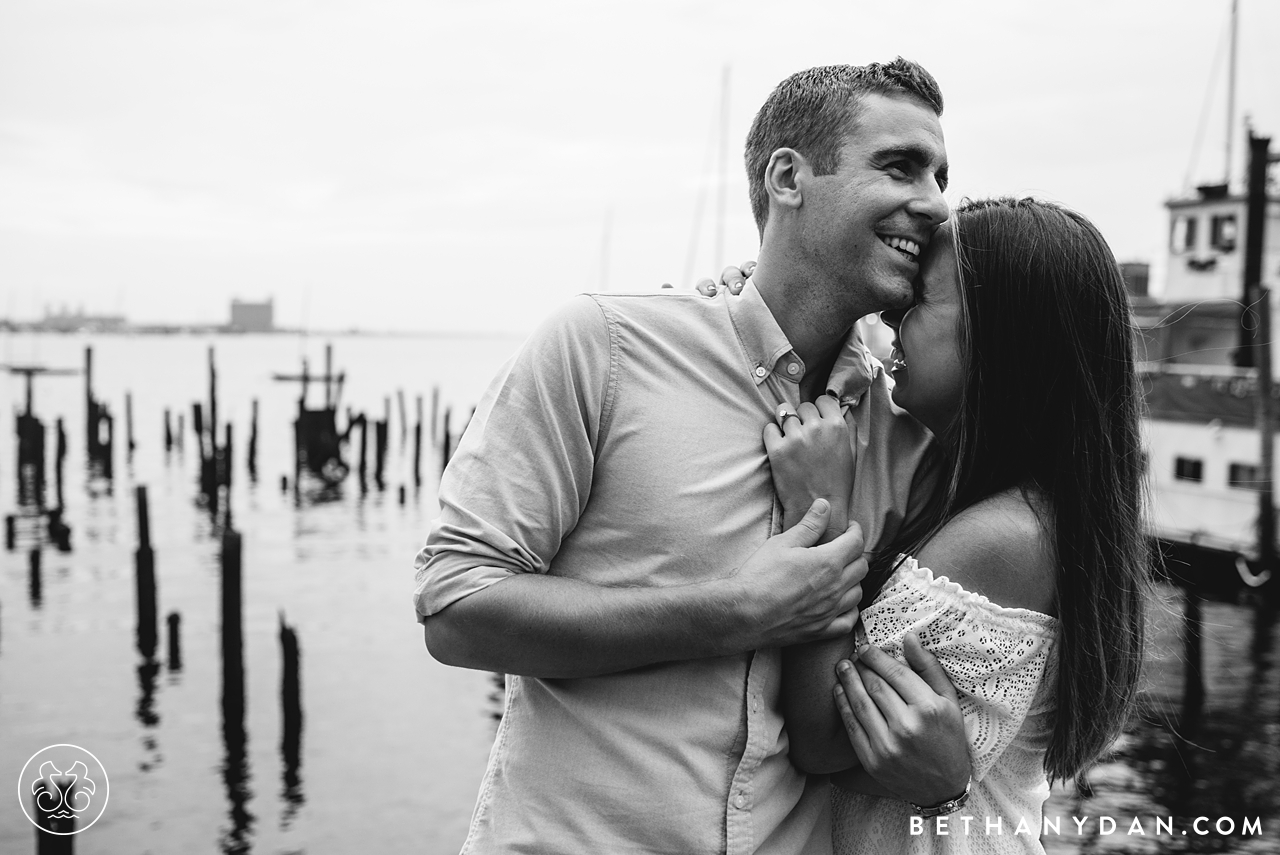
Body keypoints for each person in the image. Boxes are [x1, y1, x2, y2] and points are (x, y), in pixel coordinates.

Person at [413, 59, 973, 853]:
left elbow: (852, 724)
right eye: (900, 166)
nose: (935, 201)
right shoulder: (602, 349)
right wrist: (736, 609)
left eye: (942, 175)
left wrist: (950, 773)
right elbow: (455, 609)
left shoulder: (908, 434)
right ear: (789, 177)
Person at [760, 197, 1149, 854]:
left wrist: (819, 513)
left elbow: (826, 736)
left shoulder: (1008, 538)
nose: (890, 316)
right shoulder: (1015, 508)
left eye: (920, 301)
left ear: (1000, 337)